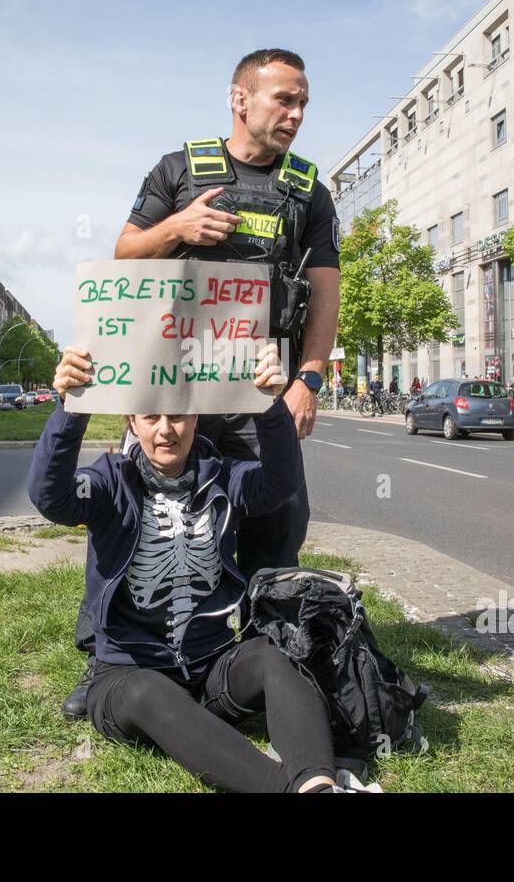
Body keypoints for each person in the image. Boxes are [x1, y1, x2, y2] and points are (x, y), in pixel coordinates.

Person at [56, 49, 341, 721]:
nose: (296, 115)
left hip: (255, 385)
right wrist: (178, 229)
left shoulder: (309, 190)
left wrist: (309, 378)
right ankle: (109, 658)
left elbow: (326, 292)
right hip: (174, 380)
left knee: (277, 516)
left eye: (303, 102)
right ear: (240, 100)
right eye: (283, 100)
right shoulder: (178, 170)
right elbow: (125, 252)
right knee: (138, 518)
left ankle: (271, 661)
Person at [28, 344, 364, 794]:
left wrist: (268, 406)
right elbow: (51, 496)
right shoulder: (111, 482)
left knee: (275, 654)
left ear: (196, 420)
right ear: (132, 423)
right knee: (148, 692)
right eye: (151, 418)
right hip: (127, 675)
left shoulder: (221, 475)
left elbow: (279, 484)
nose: (166, 431)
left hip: (210, 667)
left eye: (179, 417)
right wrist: (71, 408)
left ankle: (316, 782)